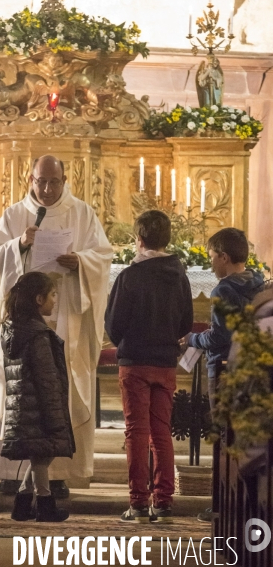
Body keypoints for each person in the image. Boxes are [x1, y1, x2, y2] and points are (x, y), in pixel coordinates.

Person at [0, 155, 113, 496]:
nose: (47, 189)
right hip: (22, 321)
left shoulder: (82, 213)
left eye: (54, 182)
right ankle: (11, 469)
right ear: (30, 179)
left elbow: (103, 255)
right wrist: (17, 245)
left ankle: (58, 474)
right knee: (17, 390)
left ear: (65, 180)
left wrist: (80, 261)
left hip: (66, 317)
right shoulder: (15, 214)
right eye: (40, 182)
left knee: (57, 391)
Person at [105, 210, 193, 523]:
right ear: (167, 239)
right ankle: (164, 501)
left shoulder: (129, 276)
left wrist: (128, 340)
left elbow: (114, 325)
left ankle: (139, 503)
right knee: (161, 434)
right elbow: (185, 320)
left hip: (135, 363)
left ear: (139, 240)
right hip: (166, 363)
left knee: (136, 433)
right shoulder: (179, 274)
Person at [185, 227, 264, 522]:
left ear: (224, 257)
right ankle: (246, 501)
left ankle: (221, 504)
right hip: (250, 367)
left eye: (212, 257)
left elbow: (219, 337)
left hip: (222, 368)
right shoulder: (258, 283)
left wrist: (193, 340)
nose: (210, 264)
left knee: (222, 437)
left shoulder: (223, 290)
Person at [2, 272, 75, 522]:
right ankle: (45, 505)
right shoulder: (37, 334)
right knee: (42, 453)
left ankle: (23, 502)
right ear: (38, 298)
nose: (55, 301)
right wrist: (55, 412)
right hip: (39, 404)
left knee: (40, 453)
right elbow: (46, 378)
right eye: (53, 295)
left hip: (23, 403)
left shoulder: (13, 328)